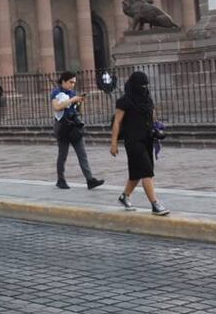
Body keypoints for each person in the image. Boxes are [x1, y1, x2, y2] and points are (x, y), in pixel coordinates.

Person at [111, 71, 170, 216]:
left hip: (147, 139)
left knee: (136, 173)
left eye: (145, 85)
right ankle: (155, 204)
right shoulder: (123, 102)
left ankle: (124, 196)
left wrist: (157, 129)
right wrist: (113, 143)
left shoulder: (147, 100)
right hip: (133, 141)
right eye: (141, 85)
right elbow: (117, 122)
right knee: (146, 172)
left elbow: (153, 118)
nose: (144, 87)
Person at [51, 72, 104, 191]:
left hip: (74, 125)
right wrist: (72, 100)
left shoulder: (72, 93)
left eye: (74, 82)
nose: (72, 85)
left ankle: (90, 180)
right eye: (70, 82)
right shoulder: (56, 92)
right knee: (63, 154)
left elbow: (78, 111)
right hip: (63, 126)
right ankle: (61, 179)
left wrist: (79, 102)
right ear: (63, 81)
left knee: (82, 154)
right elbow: (57, 107)